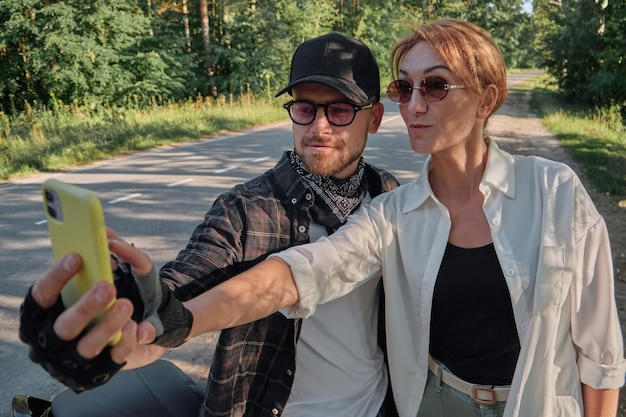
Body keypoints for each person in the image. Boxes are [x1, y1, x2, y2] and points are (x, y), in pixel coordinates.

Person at [16, 33, 399, 417]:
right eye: (304, 108)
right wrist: (109, 337)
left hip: (377, 406)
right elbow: (172, 311)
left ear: (375, 117)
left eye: (339, 110)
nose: (318, 127)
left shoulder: (388, 196)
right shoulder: (247, 209)